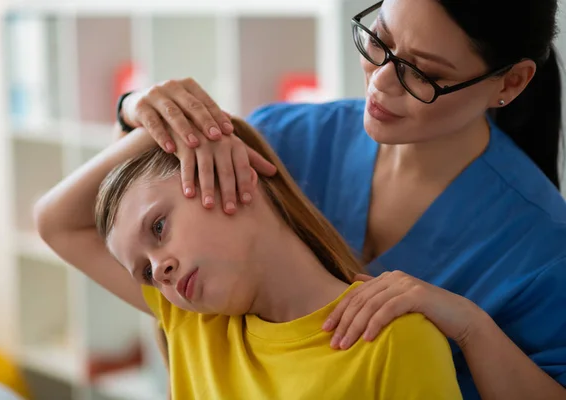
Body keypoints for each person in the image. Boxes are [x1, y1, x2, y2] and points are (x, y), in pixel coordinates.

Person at [113, 0, 566, 399]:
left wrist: (470, 328)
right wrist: (137, 111)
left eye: (424, 73)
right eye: (380, 40)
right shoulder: (277, 141)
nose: (381, 82)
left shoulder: (543, 247)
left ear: (510, 83)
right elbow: (97, 221)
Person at [34, 118, 462, 399]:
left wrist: (192, 126)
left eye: (158, 227)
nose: (159, 270)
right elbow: (55, 223)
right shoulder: (192, 321)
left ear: (233, 175)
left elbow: (57, 224)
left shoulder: (393, 341)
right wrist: (152, 117)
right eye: (144, 271)